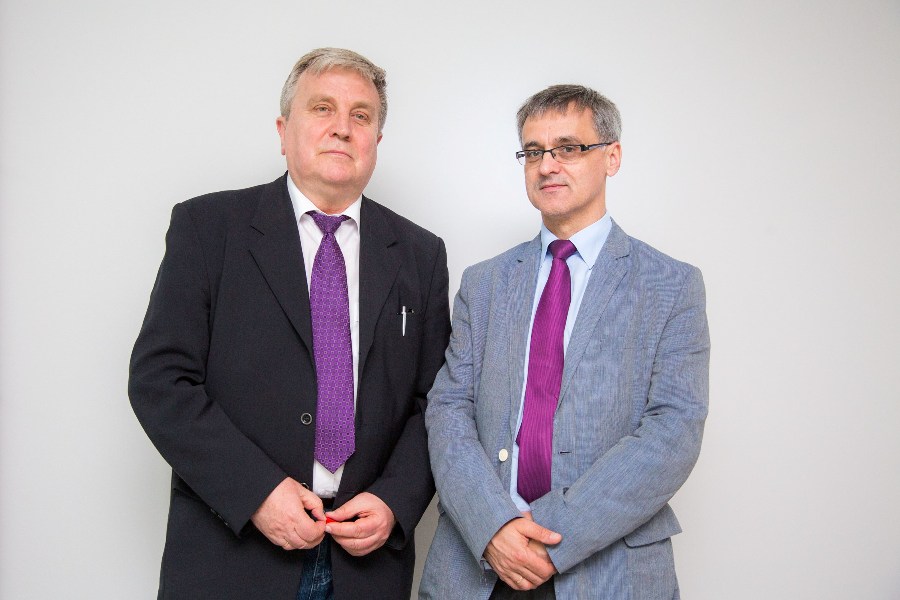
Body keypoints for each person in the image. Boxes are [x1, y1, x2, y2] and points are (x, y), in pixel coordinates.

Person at [129, 48, 450, 600]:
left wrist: (395, 501)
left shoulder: (420, 254)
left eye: (361, 116)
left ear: (376, 140)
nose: (342, 128)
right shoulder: (208, 228)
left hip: (365, 568)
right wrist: (257, 492)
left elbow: (436, 402)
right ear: (283, 131)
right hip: (231, 557)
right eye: (322, 108)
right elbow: (161, 380)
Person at [420, 84, 709, 599]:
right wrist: (493, 526)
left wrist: (551, 535)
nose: (547, 165)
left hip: (609, 571)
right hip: (479, 566)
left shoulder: (671, 285)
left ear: (612, 157)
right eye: (534, 151)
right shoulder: (484, 284)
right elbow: (448, 409)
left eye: (568, 148)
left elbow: (673, 431)